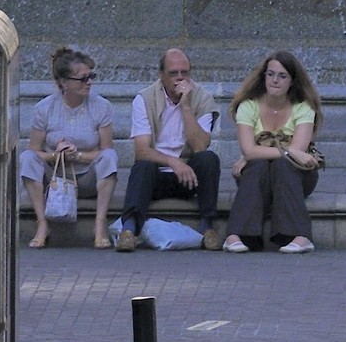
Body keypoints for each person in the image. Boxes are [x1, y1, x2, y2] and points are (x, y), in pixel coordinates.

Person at [118, 46, 222, 250]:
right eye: (173, 73)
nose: (180, 78)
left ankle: (207, 226)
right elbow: (141, 150)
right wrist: (173, 162)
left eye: (185, 73)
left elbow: (200, 146)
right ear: (161, 75)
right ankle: (129, 229)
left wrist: (186, 106)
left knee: (209, 159)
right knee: (142, 166)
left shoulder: (202, 97)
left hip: (189, 176)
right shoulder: (145, 99)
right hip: (156, 174)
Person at [223, 50, 322, 254]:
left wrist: (254, 153)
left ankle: (301, 237)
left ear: (292, 81)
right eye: (270, 74)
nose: (275, 80)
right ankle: (237, 235)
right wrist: (251, 155)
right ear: (264, 76)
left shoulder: (304, 107)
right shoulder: (248, 106)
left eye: (282, 75)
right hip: (258, 175)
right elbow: (251, 151)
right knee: (258, 165)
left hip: (297, 174)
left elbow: (298, 154)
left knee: (282, 165)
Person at [19, 48, 118, 250]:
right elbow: (35, 149)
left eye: (91, 76)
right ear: (64, 82)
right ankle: (42, 224)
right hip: (55, 180)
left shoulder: (101, 106)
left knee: (110, 157)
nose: (89, 82)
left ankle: (99, 225)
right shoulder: (44, 108)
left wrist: (78, 155)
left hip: (87, 179)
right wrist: (55, 155)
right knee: (27, 158)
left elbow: (106, 149)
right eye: (83, 79)